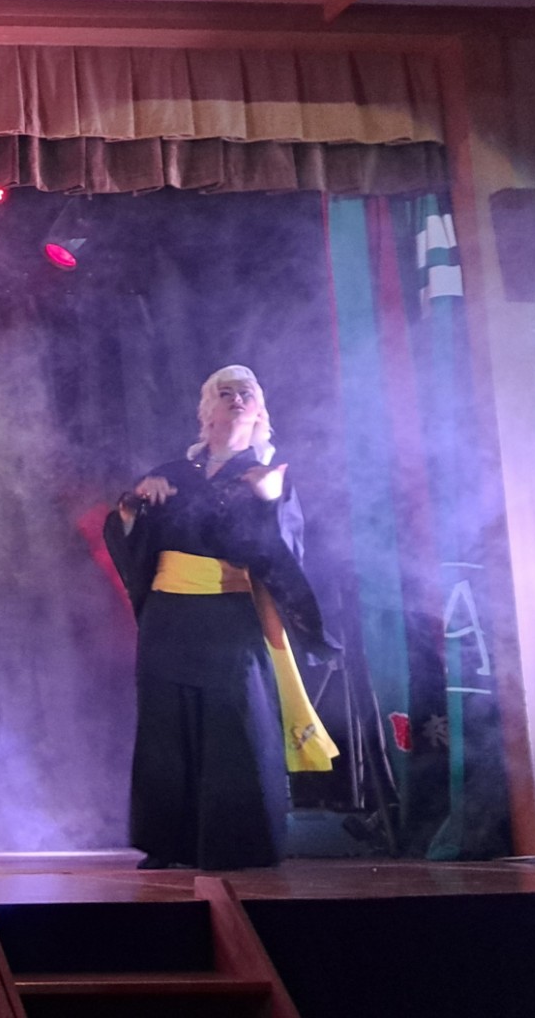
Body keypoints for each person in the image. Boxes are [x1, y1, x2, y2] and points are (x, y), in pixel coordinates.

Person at [103, 365, 338, 871]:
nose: (235, 399)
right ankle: (167, 843)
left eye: (246, 393)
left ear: (259, 413)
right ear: (205, 412)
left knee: (233, 724)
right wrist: (133, 507)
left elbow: (284, 553)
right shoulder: (172, 473)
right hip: (168, 616)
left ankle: (233, 843)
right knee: (166, 727)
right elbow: (129, 537)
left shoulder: (267, 475)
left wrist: (269, 502)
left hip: (230, 614)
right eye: (224, 393)